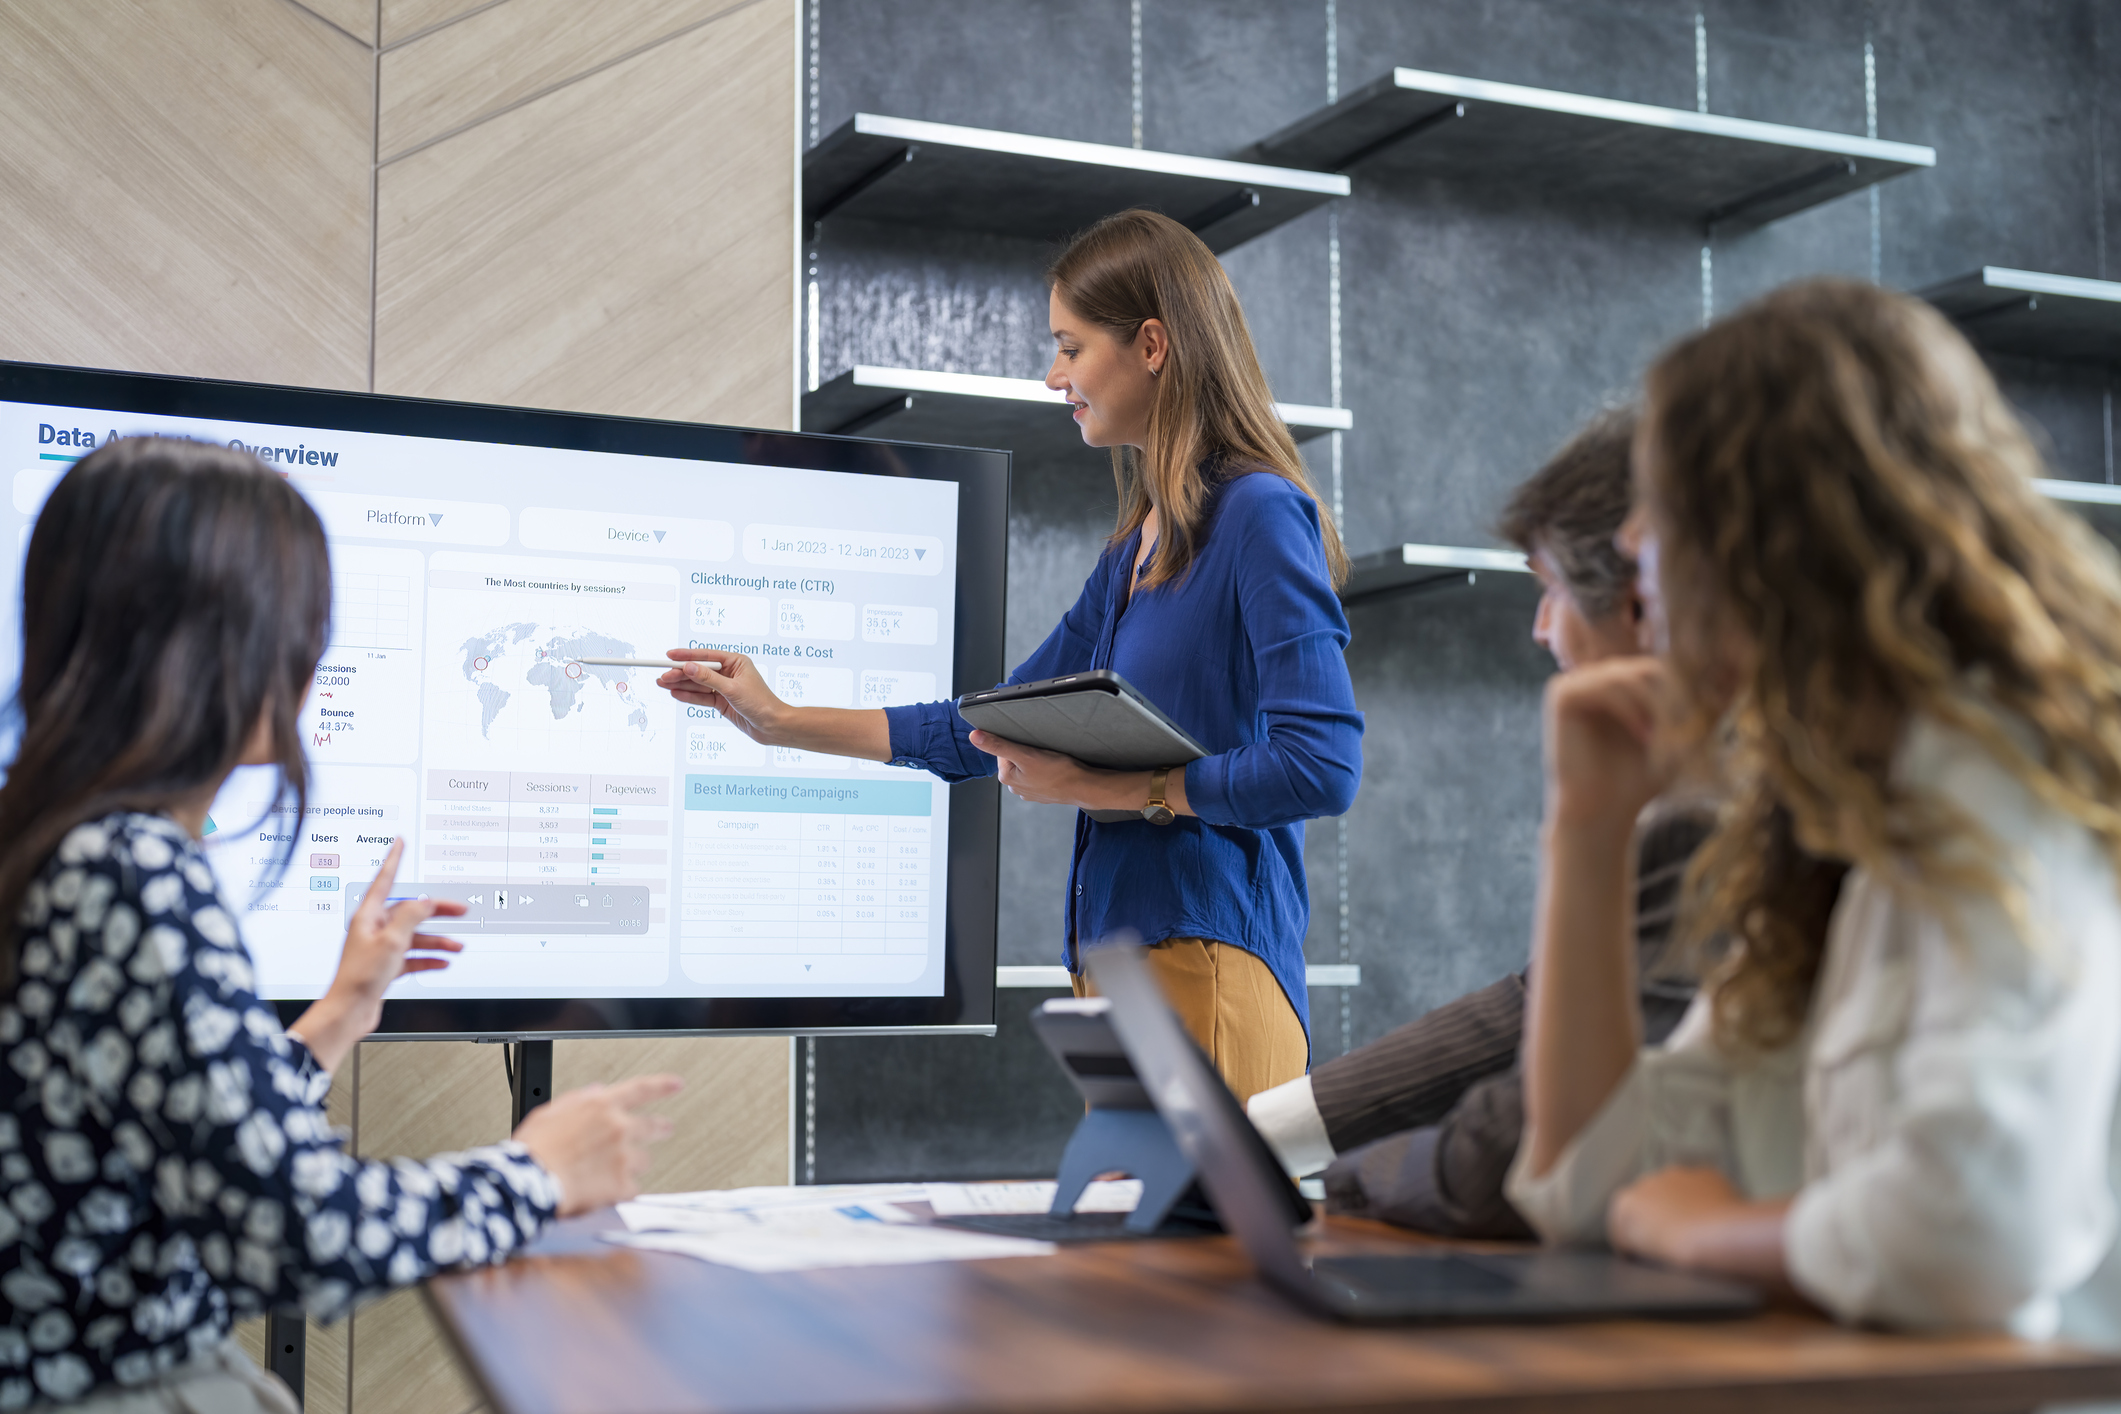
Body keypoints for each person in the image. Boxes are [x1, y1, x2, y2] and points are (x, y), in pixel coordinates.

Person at [0, 439, 682, 1410]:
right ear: (222, 647)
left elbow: (178, 1132)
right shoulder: (132, 869)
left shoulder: (54, 840)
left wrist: (337, 1014)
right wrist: (534, 1170)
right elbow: (297, 1235)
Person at [1508, 278, 2121, 1338]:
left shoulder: (1997, 771)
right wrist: (1588, 829)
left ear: (1765, 541)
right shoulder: (1833, 833)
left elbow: (1978, 1233)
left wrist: (1714, 1234)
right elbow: (1585, 1187)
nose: (1639, 536)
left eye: (1664, 505)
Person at [659, 209, 1361, 1102]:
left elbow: (1321, 766)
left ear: (1151, 344)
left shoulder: (1258, 514)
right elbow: (980, 729)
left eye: (1070, 346)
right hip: (1118, 972)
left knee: (1207, 1244)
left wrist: (1123, 792)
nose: (1052, 374)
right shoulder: (1133, 554)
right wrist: (779, 719)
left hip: (1208, 964)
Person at [1245, 407, 1715, 1238]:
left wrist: (1335, 1183)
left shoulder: (1707, 817)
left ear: (1645, 603)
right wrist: (1258, 1134)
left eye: (1551, 589)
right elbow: (1525, 1010)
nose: (1540, 630)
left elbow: (1500, 1160)